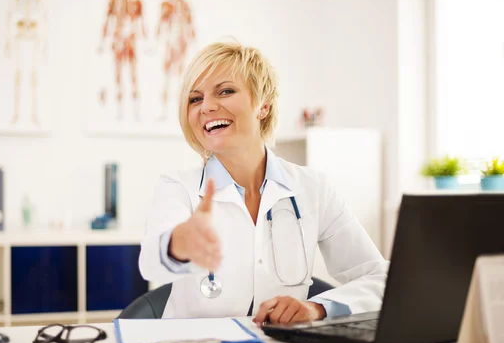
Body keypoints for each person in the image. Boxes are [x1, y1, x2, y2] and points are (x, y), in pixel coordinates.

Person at [138, 41, 389, 326]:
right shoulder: (177, 187)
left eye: (226, 91)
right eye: (195, 99)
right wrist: (178, 244)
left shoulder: (314, 188)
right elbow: (149, 262)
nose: (206, 106)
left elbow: (378, 277)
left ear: (263, 106)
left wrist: (317, 308)